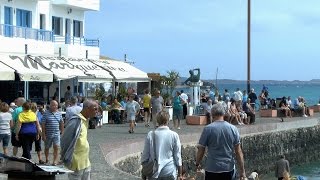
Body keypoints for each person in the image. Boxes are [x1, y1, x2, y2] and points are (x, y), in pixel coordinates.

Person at [195, 103, 246, 180]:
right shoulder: (233, 129)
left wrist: (197, 163)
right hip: (228, 168)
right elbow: (238, 152)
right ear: (224, 114)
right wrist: (242, 171)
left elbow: (201, 149)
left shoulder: (208, 129)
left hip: (211, 169)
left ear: (212, 114)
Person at [61, 100, 98, 180]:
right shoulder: (76, 121)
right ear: (87, 109)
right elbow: (65, 140)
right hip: (76, 163)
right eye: (95, 109)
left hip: (86, 162)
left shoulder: (86, 120)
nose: (96, 111)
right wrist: (65, 157)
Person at [141, 110, 183, 180]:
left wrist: (144, 172)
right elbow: (177, 156)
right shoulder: (174, 135)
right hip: (169, 171)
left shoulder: (151, 134)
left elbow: (145, 155)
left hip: (154, 172)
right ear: (168, 120)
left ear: (157, 120)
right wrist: (180, 174)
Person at [42, 100, 64, 165]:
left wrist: (62, 132)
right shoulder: (46, 113)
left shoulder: (59, 113)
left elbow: (61, 122)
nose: (55, 106)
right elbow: (43, 124)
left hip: (56, 134)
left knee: (56, 147)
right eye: (54, 105)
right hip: (48, 134)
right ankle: (47, 159)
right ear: (50, 106)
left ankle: (55, 161)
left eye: (56, 105)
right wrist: (43, 134)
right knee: (47, 147)